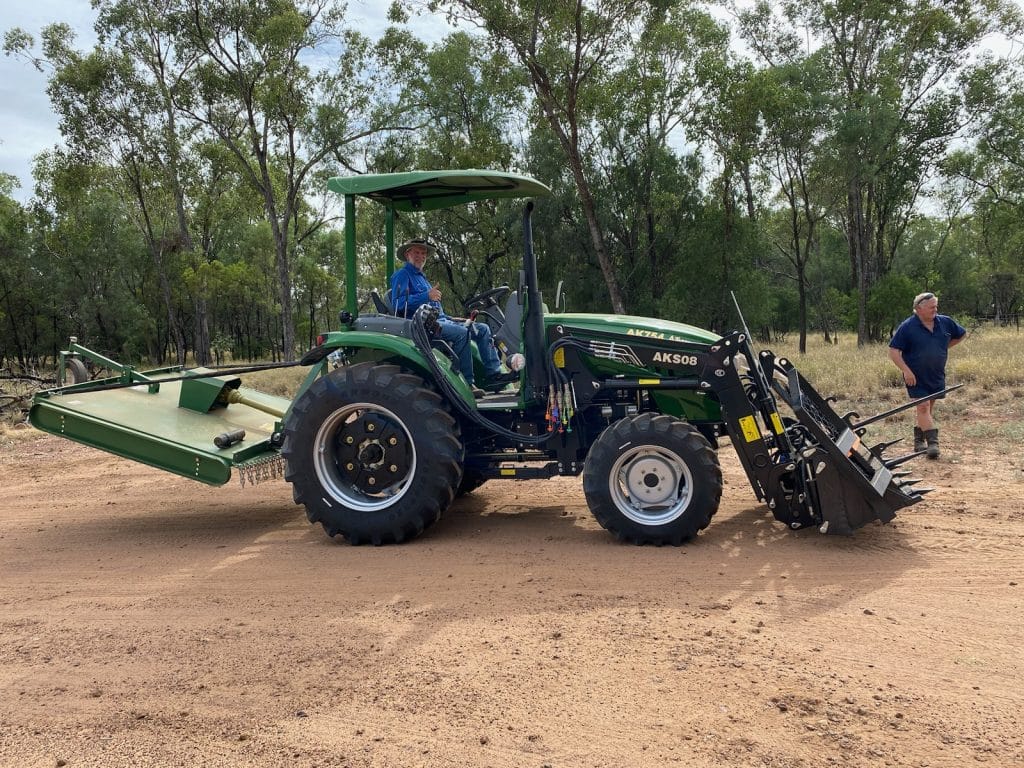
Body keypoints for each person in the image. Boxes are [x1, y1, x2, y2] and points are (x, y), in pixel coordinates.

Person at [390, 238, 517, 395]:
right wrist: (426, 295)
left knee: (482, 329)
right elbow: (398, 303)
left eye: (423, 254)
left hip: (441, 322)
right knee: (462, 333)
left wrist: (454, 319)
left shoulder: (422, 278)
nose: (421, 256)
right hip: (423, 327)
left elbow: (438, 312)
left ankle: (494, 375)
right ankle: (468, 384)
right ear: (407, 254)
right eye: (417, 252)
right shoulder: (402, 275)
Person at [888, 291, 966, 459]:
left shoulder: (945, 322)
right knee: (922, 406)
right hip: (915, 376)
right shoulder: (907, 327)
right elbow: (893, 351)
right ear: (919, 308)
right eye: (931, 307)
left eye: (936, 306)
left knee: (927, 408)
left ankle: (919, 441)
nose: (935, 310)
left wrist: (943, 347)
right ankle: (933, 444)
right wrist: (906, 370)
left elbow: (961, 334)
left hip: (936, 373)